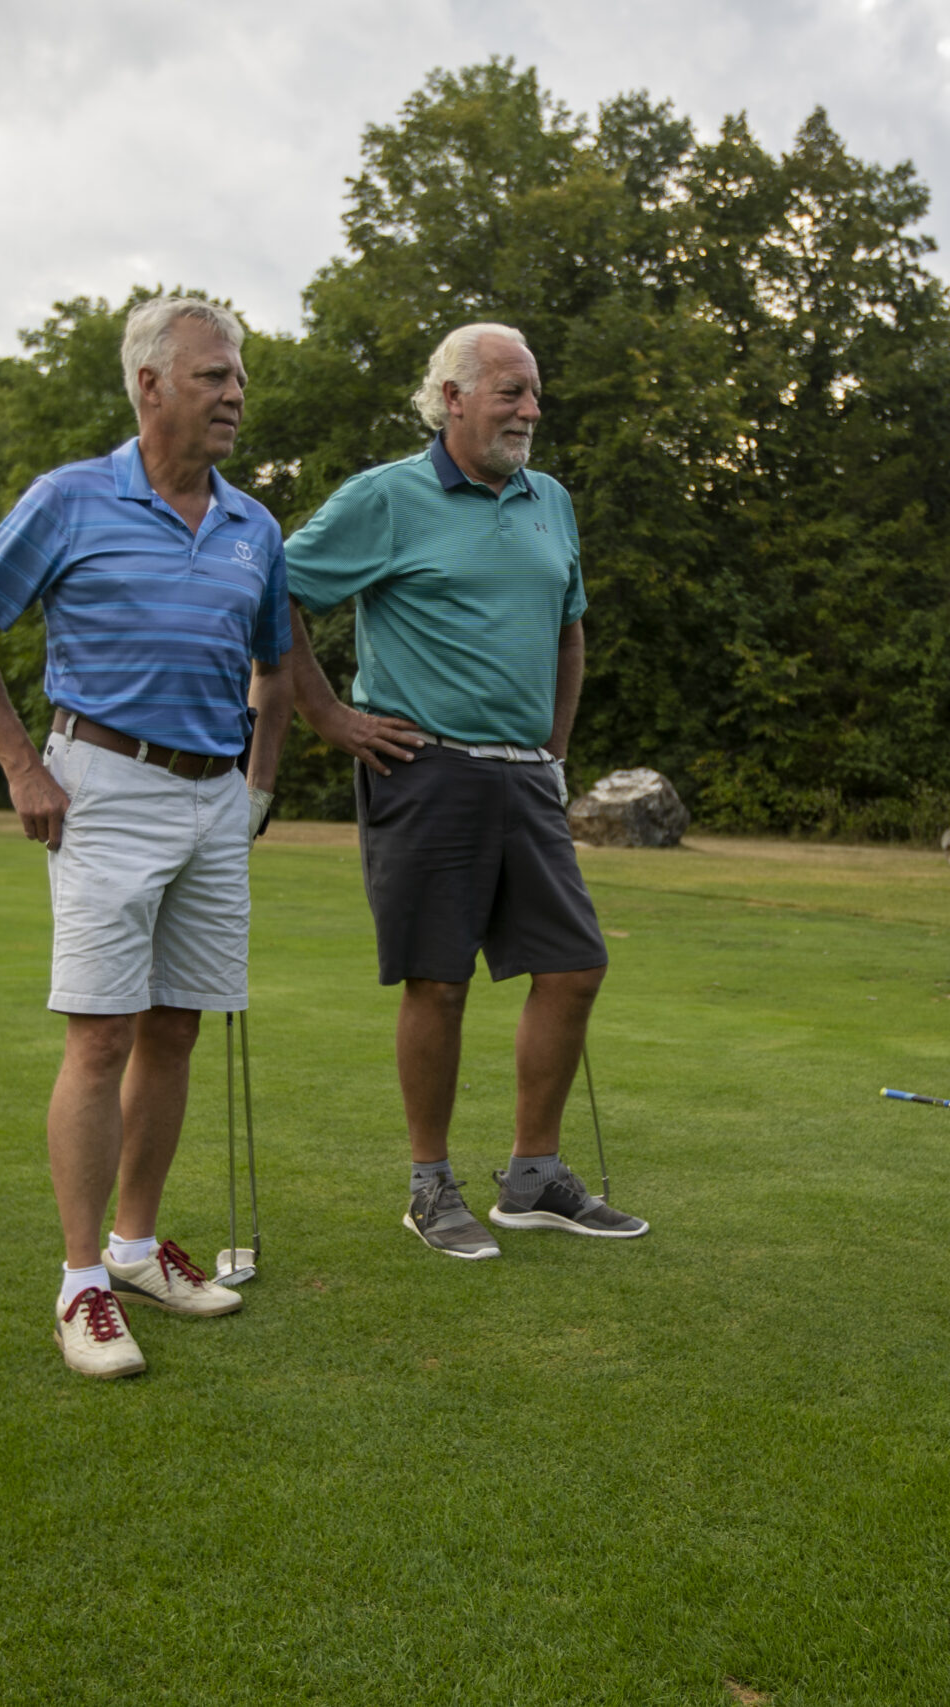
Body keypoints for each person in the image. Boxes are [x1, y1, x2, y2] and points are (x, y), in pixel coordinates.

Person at [0, 296, 296, 1378]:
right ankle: (81, 1280)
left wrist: (257, 791)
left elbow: (276, 670)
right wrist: (20, 764)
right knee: (102, 1037)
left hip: (212, 797)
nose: (233, 395)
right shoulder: (71, 498)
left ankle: (136, 1249)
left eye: (237, 378)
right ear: (149, 384)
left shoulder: (254, 527)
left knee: (177, 1028)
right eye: (212, 376)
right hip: (104, 785)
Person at [281, 322, 648, 1258]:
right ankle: (428, 1184)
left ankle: (532, 1178)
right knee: (437, 984)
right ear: (453, 397)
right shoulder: (386, 497)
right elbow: (272, 595)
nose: (531, 410)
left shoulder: (550, 500)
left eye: (534, 394)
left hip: (527, 777)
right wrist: (329, 717)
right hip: (425, 768)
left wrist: (557, 740)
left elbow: (570, 627)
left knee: (574, 967)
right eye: (511, 393)